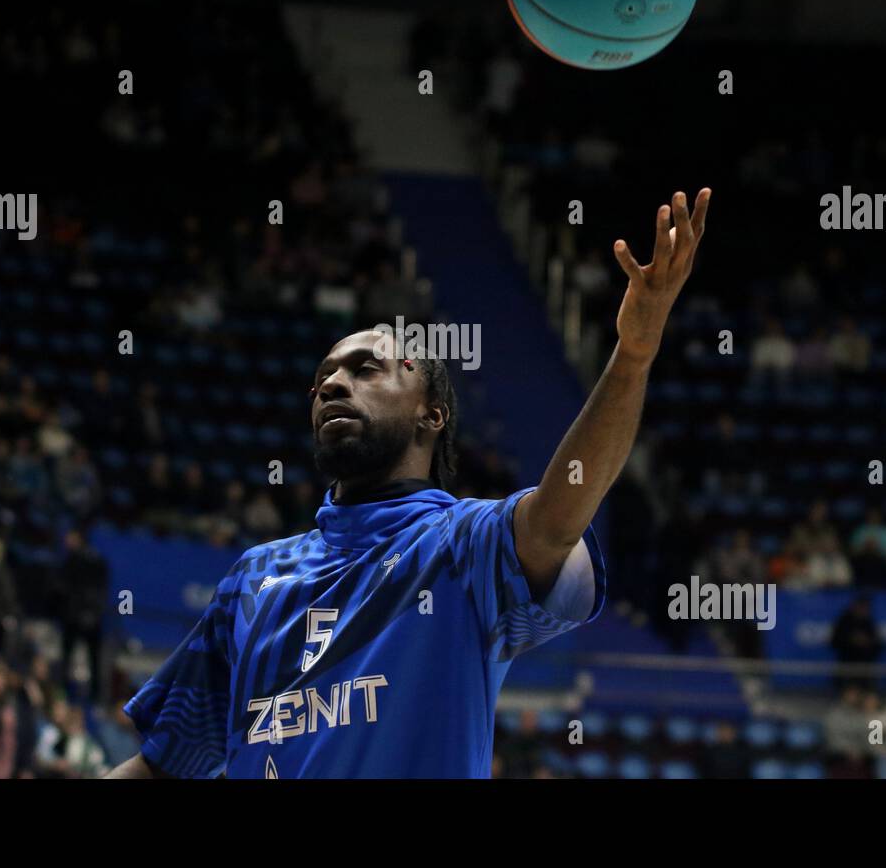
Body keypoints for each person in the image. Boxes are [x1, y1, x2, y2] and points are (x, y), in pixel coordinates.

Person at [107, 188, 713, 778]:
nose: (333, 385)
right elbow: (163, 766)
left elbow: (557, 521)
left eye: (366, 369)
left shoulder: (462, 546)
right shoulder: (252, 580)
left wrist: (632, 356)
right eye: (323, 377)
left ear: (433, 413)